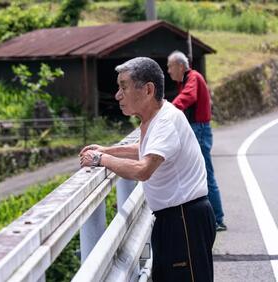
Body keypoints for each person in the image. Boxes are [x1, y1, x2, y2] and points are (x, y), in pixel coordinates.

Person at [80, 57, 216, 282]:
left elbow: (143, 169)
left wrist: (101, 159)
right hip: (172, 219)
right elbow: (145, 149)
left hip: (184, 220)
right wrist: (109, 150)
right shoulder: (155, 118)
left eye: (123, 87)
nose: (117, 95)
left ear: (148, 89)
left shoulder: (165, 122)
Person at [167, 50, 227, 232]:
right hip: (198, 129)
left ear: (179, 65)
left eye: (170, 66)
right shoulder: (186, 80)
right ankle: (211, 218)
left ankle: (217, 219)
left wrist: (167, 111)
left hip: (199, 129)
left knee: (205, 173)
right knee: (198, 173)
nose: (168, 71)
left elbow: (188, 97)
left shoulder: (193, 77)